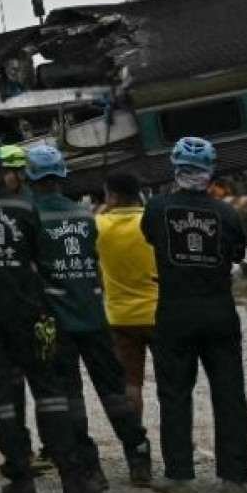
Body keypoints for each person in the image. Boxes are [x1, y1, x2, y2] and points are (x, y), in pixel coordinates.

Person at [0, 130, 98, 493]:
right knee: (49, 392)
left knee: (2, 399)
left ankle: (22, 482)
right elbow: (40, 259)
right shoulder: (26, 208)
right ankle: (73, 482)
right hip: (31, 314)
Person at [24, 145, 151, 490]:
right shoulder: (84, 216)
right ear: (62, 176)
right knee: (113, 389)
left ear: (30, 178)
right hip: (95, 316)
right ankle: (139, 454)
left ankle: (90, 466)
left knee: (70, 395)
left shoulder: (29, 217)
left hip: (57, 320)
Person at [143, 136, 247, 493]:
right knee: (229, 393)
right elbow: (238, 254)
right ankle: (234, 477)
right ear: (211, 171)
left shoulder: (158, 208)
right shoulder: (227, 213)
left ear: (175, 169)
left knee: (174, 393)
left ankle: (179, 475)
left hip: (174, 310)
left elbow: (150, 238)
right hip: (219, 308)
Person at [94, 172, 156, 416]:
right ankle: (178, 442)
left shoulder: (99, 225)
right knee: (172, 386)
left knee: (130, 384)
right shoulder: (152, 222)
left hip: (119, 317)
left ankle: (136, 441)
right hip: (156, 313)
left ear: (114, 197)